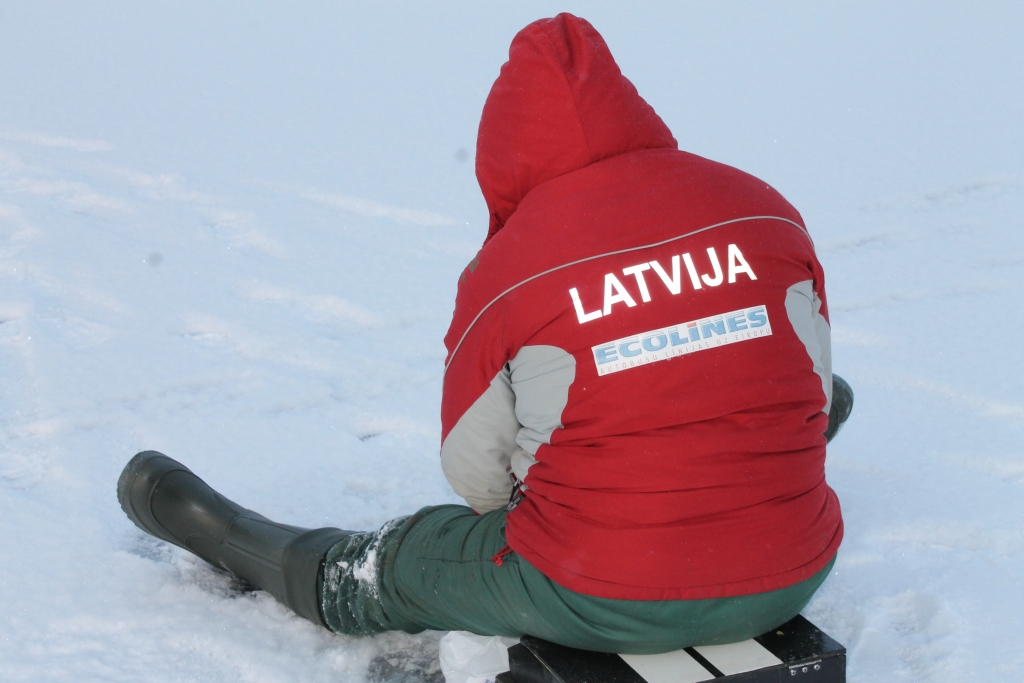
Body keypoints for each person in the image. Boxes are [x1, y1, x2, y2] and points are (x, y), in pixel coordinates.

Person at [117, 13, 852, 654]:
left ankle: (237, 539)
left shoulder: (510, 265)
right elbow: (812, 387)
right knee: (793, 387)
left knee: (404, 561)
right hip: (795, 568)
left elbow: (473, 471)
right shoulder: (761, 206)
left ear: (505, 156)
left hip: (599, 588)